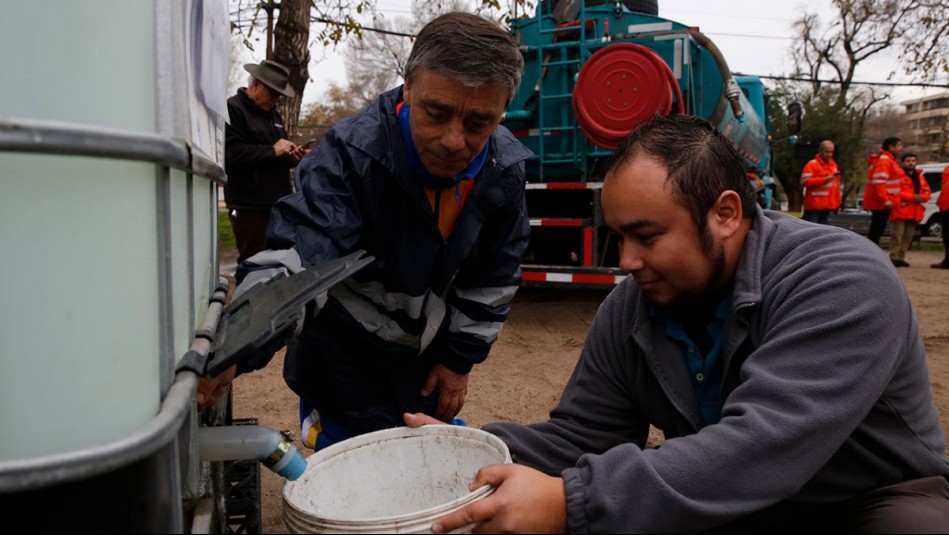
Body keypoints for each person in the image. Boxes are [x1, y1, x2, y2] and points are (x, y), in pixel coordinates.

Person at [406, 114, 949, 533]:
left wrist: (568, 504)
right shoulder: (632, 307)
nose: (626, 260)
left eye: (647, 235)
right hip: (739, 500)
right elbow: (583, 436)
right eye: (620, 237)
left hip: (873, 500)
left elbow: (760, 446)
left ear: (726, 214)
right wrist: (473, 449)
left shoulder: (840, 277)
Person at [198, 12, 531, 451]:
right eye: (437, 112)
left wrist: (457, 359)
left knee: (426, 451)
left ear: (502, 109)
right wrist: (237, 344)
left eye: (479, 123)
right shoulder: (350, 155)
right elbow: (300, 253)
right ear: (408, 87)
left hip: (423, 357)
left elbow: (494, 278)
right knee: (354, 455)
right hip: (343, 357)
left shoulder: (503, 170)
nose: (454, 140)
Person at [223, 59, 307, 263]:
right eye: (273, 94)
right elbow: (230, 153)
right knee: (253, 263)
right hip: (250, 208)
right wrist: (272, 150)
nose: (276, 100)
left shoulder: (273, 115)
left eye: (279, 95)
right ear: (255, 86)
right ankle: (248, 296)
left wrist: (292, 157)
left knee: (278, 261)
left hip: (277, 203)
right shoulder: (233, 109)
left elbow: (274, 155)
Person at [888, 151, 931, 267]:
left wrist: (923, 198)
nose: (911, 163)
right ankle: (893, 257)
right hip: (900, 210)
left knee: (907, 237)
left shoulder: (920, 177)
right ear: (903, 163)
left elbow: (927, 191)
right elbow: (895, 191)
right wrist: (913, 197)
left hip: (914, 211)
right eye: (908, 161)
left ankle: (901, 257)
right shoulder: (898, 176)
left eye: (913, 161)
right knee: (897, 235)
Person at [862, 136, 904, 245]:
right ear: (891, 147)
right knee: (876, 230)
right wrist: (885, 200)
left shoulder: (888, 160)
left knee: (877, 229)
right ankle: (871, 252)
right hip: (881, 203)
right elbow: (879, 181)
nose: (901, 148)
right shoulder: (885, 161)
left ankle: (871, 251)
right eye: (899, 145)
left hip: (882, 202)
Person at [799, 139, 841, 224]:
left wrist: (837, 203)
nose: (829, 155)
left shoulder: (833, 165)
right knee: (811, 229)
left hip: (828, 206)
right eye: (827, 152)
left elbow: (836, 186)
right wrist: (823, 180)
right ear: (820, 151)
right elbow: (805, 182)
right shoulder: (812, 165)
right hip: (814, 206)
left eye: (831, 152)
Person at [934, 164, 949, 269]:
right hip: (946, 206)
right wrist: (940, 203)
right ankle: (947, 259)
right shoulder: (947, 168)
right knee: (947, 235)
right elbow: (944, 187)